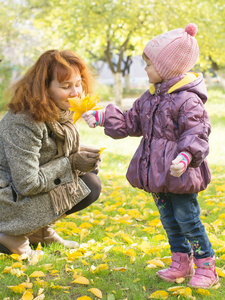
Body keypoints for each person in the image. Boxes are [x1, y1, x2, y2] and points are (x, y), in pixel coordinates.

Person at [82, 24, 219, 289]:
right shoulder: (151, 97)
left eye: (149, 64)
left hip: (181, 171)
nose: (145, 69)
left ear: (167, 68)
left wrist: (185, 157)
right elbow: (131, 121)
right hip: (157, 173)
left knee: (188, 219)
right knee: (169, 220)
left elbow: (197, 133)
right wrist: (101, 117)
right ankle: (181, 260)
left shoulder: (188, 101)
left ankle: (206, 265)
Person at [0, 50, 102, 256]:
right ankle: (10, 235)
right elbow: (27, 183)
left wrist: (83, 159)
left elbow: (48, 158)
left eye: (78, 83)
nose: (76, 93)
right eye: (66, 86)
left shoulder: (61, 114)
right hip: (6, 198)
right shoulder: (24, 120)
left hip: (17, 191)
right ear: (45, 89)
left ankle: (39, 232)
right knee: (89, 185)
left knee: (89, 179)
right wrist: (71, 163)